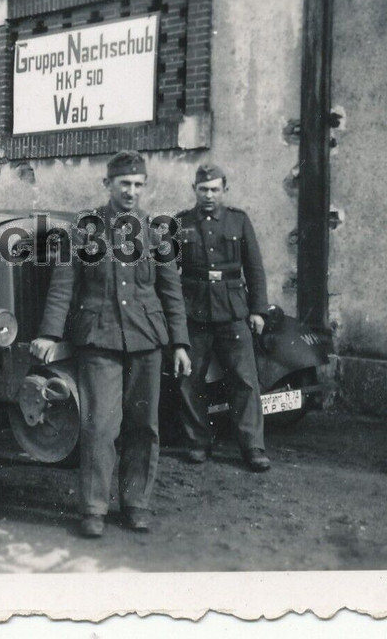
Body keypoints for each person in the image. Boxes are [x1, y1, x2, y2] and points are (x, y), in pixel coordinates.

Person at [31, 150, 192, 538]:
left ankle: (136, 503)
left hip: (146, 340)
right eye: (125, 184)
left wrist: (181, 344)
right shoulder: (85, 231)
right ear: (108, 185)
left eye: (139, 185)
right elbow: (63, 286)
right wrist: (50, 333)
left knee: (144, 427)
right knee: (100, 427)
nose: (132, 192)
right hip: (100, 339)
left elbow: (171, 293)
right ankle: (93, 508)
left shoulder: (156, 234)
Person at [173, 163, 272, 472]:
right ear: (194, 190)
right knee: (190, 379)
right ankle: (198, 442)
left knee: (244, 379)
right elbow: (168, 273)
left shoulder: (239, 221)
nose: (209, 195)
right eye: (203, 189)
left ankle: (253, 446)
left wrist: (257, 310)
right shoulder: (180, 223)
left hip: (232, 311)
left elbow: (254, 268)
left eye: (215, 189)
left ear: (224, 190)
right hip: (194, 311)